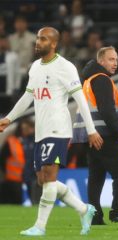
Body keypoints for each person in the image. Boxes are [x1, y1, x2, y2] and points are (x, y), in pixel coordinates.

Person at [0, 27, 103, 236]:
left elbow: (80, 99)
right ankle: (84, 209)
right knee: (43, 179)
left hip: (58, 128)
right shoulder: (35, 67)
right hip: (41, 129)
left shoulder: (65, 67)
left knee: (48, 178)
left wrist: (91, 129)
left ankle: (40, 226)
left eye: (43, 39)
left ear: (54, 44)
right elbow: (28, 97)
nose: (38, 42)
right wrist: (9, 118)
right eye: (38, 38)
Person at [72, 46, 118, 225]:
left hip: (91, 134)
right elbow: (106, 110)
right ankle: (117, 212)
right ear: (101, 62)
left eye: (117, 60)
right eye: (111, 59)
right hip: (103, 134)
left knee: (96, 175)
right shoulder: (102, 79)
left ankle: (95, 215)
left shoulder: (89, 80)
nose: (115, 63)